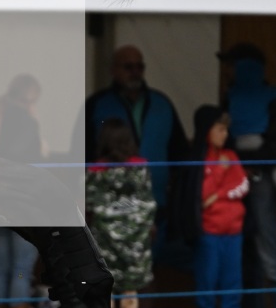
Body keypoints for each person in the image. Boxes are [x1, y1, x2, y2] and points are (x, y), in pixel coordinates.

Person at [70, 45, 189, 230]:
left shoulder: (162, 103)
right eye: (128, 67)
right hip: (111, 208)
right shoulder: (97, 104)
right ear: (113, 70)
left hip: (156, 204)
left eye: (139, 66)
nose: (135, 72)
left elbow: (180, 152)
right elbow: (79, 154)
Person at [220, 43, 276, 308]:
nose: (226, 71)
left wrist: (246, 161)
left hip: (262, 182)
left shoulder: (274, 102)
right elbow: (225, 141)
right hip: (237, 180)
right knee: (245, 254)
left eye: (231, 65)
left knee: (268, 251)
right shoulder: (230, 99)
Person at [82, 120, 156, 308]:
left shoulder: (96, 170)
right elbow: (148, 202)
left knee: (108, 289)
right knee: (131, 288)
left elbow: (89, 204)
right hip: (136, 240)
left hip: (104, 238)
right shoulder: (140, 167)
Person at [0, 75, 45, 308]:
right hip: (22, 202)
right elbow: (38, 157)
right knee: (21, 269)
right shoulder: (27, 124)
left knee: (1, 268)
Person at [192, 106, 248, 308]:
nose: (225, 134)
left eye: (226, 130)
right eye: (220, 129)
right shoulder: (198, 160)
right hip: (209, 233)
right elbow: (202, 196)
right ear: (208, 130)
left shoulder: (231, 156)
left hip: (234, 232)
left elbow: (243, 185)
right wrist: (220, 173)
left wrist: (220, 194)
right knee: (207, 282)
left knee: (232, 284)